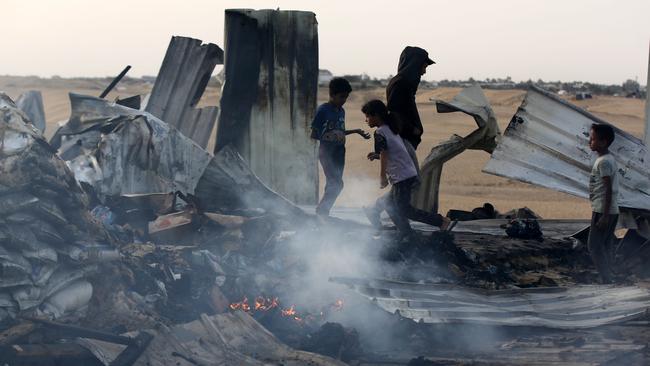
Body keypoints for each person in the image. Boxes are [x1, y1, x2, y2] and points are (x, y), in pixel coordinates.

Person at [364, 46, 435, 227]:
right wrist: (413, 130)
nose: (424, 71)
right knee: (410, 180)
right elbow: (395, 113)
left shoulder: (404, 83)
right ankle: (388, 214)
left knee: (406, 181)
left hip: (405, 138)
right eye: (423, 65)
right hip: (403, 138)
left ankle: (380, 211)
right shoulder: (401, 83)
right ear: (413, 64)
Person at [363, 99, 448, 237]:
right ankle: (404, 231)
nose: (366, 120)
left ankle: (440, 221)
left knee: (404, 210)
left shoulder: (379, 132)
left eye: (367, 116)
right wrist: (376, 155)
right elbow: (393, 153)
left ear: (376, 115)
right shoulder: (390, 128)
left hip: (402, 177)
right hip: (406, 174)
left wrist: (382, 176)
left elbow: (385, 154)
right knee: (390, 204)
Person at [311, 77, 370, 216]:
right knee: (337, 183)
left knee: (333, 183)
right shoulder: (323, 110)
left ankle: (324, 211)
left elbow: (339, 131)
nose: (344, 100)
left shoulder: (341, 111)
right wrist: (328, 137)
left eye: (346, 97)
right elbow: (314, 134)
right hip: (327, 151)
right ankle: (322, 210)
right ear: (332, 95)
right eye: (341, 96)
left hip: (339, 151)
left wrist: (355, 131)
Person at [587, 123, 619, 284]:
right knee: (605, 245)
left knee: (593, 246)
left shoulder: (604, 162)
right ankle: (611, 276)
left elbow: (608, 190)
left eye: (592, 139)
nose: (589, 142)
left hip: (603, 210)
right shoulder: (607, 158)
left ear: (603, 142)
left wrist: (605, 216)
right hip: (609, 209)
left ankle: (606, 279)